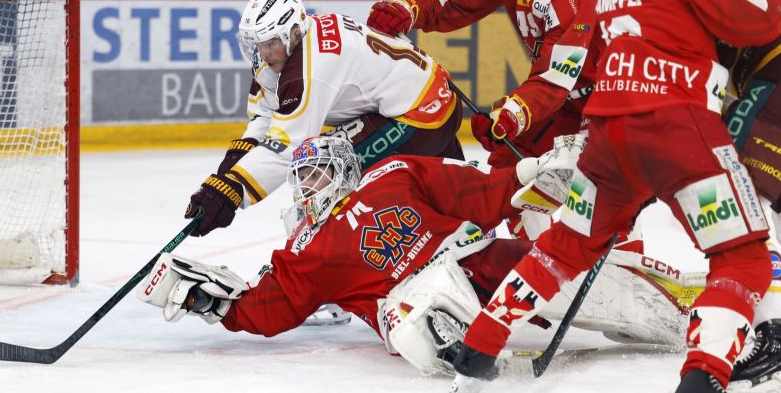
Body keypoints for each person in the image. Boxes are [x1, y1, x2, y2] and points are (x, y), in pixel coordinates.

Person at [447, 0, 781, 391]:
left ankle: (478, 349)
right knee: (744, 259)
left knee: (564, 246)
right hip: (676, 125)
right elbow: (761, 21)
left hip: (608, 131)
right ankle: (703, 380)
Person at [139, 136, 688, 376]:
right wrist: (207, 301)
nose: (308, 186)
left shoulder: (391, 174)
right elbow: (271, 308)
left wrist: (530, 173)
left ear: (343, 168)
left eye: (317, 173)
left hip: (473, 258)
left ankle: (679, 314)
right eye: (302, 178)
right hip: (410, 301)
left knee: (560, 269)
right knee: (408, 319)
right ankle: (462, 354)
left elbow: (474, 192)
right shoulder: (306, 247)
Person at [184, 0, 464, 239]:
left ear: (294, 32)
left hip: (422, 114)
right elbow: (266, 114)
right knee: (454, 198)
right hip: (425, 94)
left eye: (270, 43)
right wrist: (231, 170)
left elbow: (286, 147)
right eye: (257, 45)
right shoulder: (292, 46)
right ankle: (461, 221)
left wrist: (232, 191)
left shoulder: (309, 69)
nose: (264, 54)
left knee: (319, 167)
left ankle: (336, 259)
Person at [367, 0, 601, 168]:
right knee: (505, 175)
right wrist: (410, 9)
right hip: (560, 103)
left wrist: (513, 114)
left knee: (591, 182)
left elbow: (557, 74)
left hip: (603, 102)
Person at [718, 0, 781, 388]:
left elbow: (759, 15)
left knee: (744, 197)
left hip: (770, 85)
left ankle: (773, 330)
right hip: (766, 84)